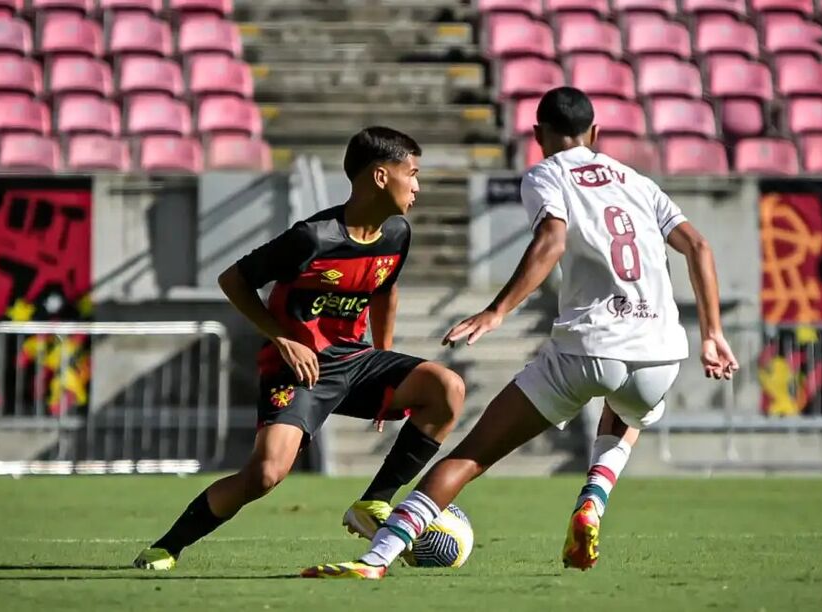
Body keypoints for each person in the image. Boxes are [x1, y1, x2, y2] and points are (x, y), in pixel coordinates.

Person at [301, 87, 738, 579]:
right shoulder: (637, 181)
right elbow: (698, 246)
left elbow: (552, 239)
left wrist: (497, 311)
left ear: (537, 135)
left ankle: (375, 559)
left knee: (471, 456)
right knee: (628, 408)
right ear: (595, 133)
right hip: (660, 353)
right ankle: (593, 498)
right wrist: (712, 333)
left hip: (589, 347)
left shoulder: (546, 174)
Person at [134, 127, 466, 571]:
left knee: (448, 388)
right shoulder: (313, 239)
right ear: (381, 177)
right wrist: (283, 339)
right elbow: (234, 280)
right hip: (298, 370)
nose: (418, 186)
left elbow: (386, 291)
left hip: (356, 360)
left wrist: (383, 361)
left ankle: (375, 502)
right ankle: (167, 546)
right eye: (414, 173)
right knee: (265, 474)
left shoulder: (397, 235)